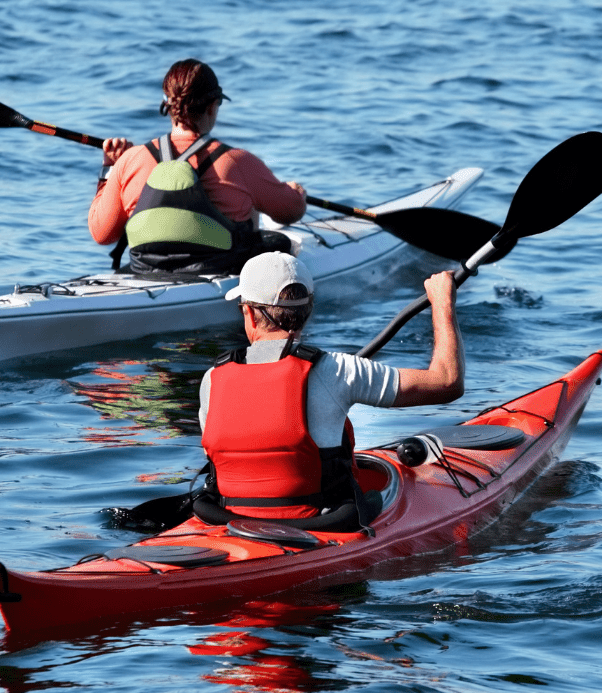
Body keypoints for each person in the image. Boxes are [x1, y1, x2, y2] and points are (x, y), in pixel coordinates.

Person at [196, 252, 464, 530]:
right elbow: (447, 382)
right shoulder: (337, 371)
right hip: (319, 525)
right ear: (308, 311)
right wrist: (443, 303)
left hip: (229, 523)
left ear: (249, 314)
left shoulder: (212, 379)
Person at [89, 59, 306, 275]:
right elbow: (291, 211)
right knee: (277, 240)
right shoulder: (237, 162)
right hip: (219, 271)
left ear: (168, 106)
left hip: (146, 273)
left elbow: (102, 234)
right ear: (212, 107)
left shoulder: (130, 160)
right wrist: (297, 193)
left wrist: (109, 169)